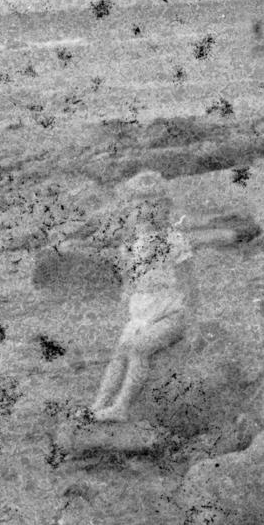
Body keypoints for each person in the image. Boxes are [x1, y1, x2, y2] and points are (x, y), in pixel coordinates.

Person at [90, 171, 197, 423]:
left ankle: (122, 406)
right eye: (140, 207)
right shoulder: (131, 245)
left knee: (138, 349)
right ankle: (99, 404)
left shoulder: (175, 240)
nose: (147, 213)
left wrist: (193, 325)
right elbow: (129, 281)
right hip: (142, 314)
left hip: (171, 313)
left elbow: (189, 285)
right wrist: (127, 296)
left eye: (155, 206)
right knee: (119, 354)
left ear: (166, 209)